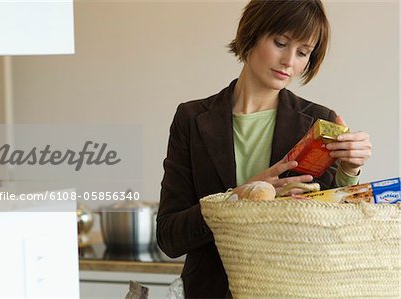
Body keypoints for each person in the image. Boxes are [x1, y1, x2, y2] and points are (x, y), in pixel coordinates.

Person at [156, 0, 372, 298]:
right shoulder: (192, 119)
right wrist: (238, 196)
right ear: (252, 33)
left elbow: (335, 232)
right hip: (209, 290)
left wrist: (350, 171)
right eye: (280, 42)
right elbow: (169, 237)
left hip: (294, 290)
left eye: (303, 53)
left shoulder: (319, 122)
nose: (289, 61)